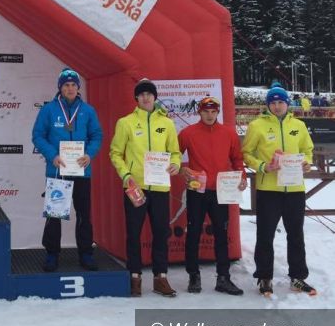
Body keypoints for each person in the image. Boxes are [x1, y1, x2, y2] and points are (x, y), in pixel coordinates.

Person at [242, 83, 317, 296]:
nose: (277, 106)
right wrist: (263, 166)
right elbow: (246, 153)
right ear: (268, 105)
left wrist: (307, 163)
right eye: (273, 102)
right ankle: (264, 277)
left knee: (296, 235)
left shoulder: (299, 125)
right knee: (265, 235)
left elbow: (307, 150)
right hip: (269, 190)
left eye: (281, 102)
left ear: (287, 103)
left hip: (295, 189)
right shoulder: (257, 125)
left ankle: (298, 277)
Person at [109, 79, 181, 297]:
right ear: (136, 98)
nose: (146, 97)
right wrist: (126, 175)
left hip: (160, 187)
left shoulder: (167, 123)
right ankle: (135, 276)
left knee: (161, 233)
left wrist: (176, 164)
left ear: (155, 97)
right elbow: (115, 153)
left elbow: (175, 152)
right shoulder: (126, 123)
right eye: (142, 94)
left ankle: (160, 277)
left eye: (149, 94)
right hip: (135, 187)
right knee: (133, 233)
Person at [32, 68, 103, 272]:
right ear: (60, 88)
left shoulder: (88, 110)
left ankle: (86, 253)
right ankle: (52, 254)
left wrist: (89, 154)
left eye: (73, 85)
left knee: (84, 214)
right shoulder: (49, 110)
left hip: (81, 171)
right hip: (58, 170)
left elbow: (97, 135)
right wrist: (52, 155)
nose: (70, 88)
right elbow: (38, 136)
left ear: (78, 88)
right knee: (55, 215)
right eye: (66, 85)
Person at [178, 96, 247, 295]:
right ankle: (193, 275)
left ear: (218, 112)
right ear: (199, 112)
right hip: (197, 191)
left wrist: (242, 176)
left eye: (213, 112)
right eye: (205, 111)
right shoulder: (188, 133)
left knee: (221, 234)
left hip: (221, 191)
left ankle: (223, 278)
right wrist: (181, 169)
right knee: (193, 233)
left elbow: (237, 159)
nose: (209, 115)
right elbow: (172, 154)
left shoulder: (229, 133)